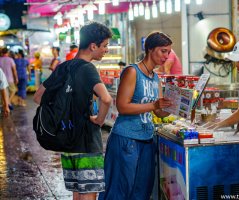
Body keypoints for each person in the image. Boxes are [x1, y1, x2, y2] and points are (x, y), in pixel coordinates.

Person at [33, 21, 113, 200]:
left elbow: (38, 97)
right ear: (93, 46)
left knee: (77, 193)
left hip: (67, 141)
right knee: (88, 194)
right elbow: (106, 98)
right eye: (105, 45)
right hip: (86, 141)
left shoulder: (63, 66)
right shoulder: (88, 68)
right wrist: (99, 120)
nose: (106, 49)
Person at [103, 32, 172, 200]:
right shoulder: (132, 72)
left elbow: (158, 112)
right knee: (120, 190)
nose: (166, 56)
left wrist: (177, 107)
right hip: (126, 139)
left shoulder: (156, 78)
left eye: (168, 52)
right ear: (150, 49)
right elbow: (122, 106)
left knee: (141, 191)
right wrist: (154, 105)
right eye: (163, 51)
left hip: (147, 139)